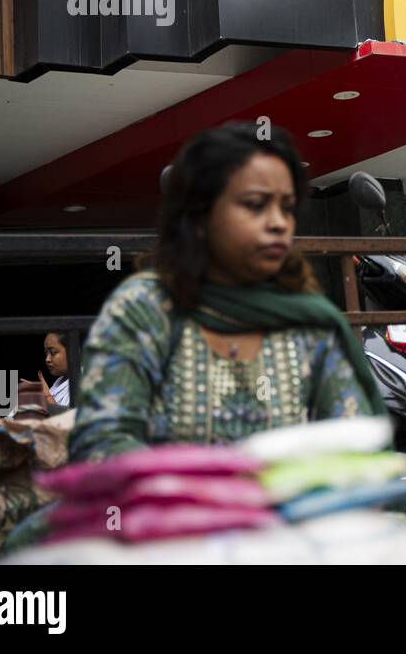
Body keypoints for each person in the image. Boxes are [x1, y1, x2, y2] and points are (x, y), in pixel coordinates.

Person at [67, 121, 387, 462]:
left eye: (287, 207)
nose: (279, 222)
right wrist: (211, 491)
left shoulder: (309, 320)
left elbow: (357, 448)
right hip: (164, 511)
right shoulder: (142, 310)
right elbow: (101, 441)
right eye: (254, 204)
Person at [41, 332, 70, 409]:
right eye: (46, 353)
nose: (47, 359)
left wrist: (47, 397)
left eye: (53, 352)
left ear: (72, 351)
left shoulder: (84, 385)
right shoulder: (59, 382)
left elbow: (68, 419)